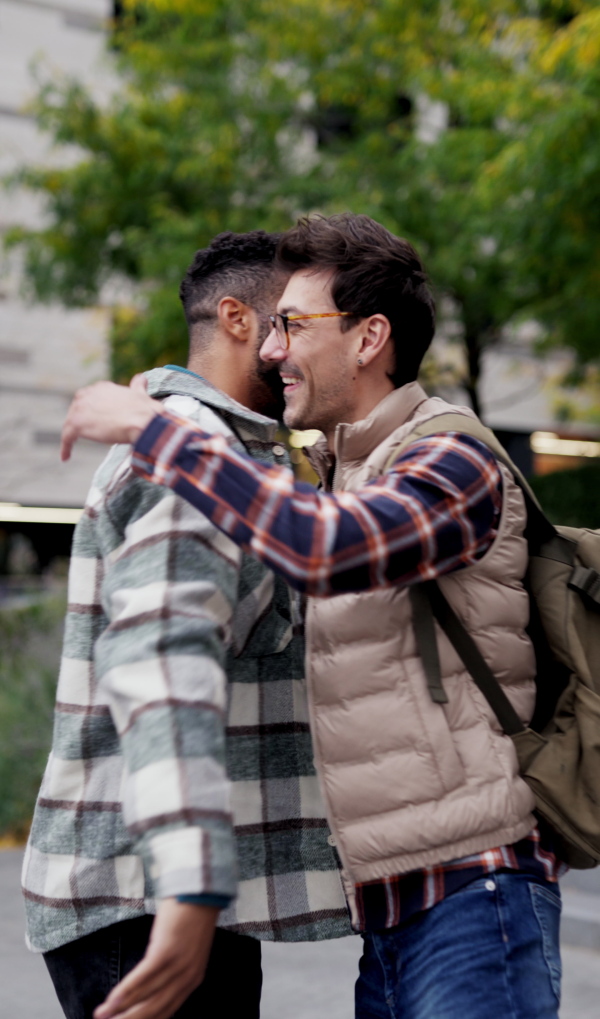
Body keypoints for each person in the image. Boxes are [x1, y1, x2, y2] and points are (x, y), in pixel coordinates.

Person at [61, 213, 564, 1019]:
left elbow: (329, 548)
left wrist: (164, 432)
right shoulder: (340, 469)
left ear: (369, 338)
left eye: (292, 325)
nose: (270, 348)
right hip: (393, 917)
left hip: (477, 892)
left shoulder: (453, 458)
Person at [23, 230, 350, 1019]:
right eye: (285, 323)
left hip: (165, 891)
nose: (286, 346)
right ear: (237, 320)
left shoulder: (227, 452)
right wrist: (191, 880)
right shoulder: (193, 450)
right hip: (147, 896)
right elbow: (161, 660)